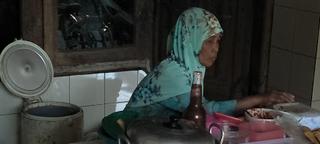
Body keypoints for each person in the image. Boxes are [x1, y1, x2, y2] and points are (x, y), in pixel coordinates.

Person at [122, 7, 294, 121]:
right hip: (131, 143)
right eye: (209, 41)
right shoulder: (173, 73)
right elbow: (205, 110)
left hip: (153, 137)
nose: (216, 49)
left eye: (218, 41)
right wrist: (261, 98)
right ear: (191, 40)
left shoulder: (190, 68)